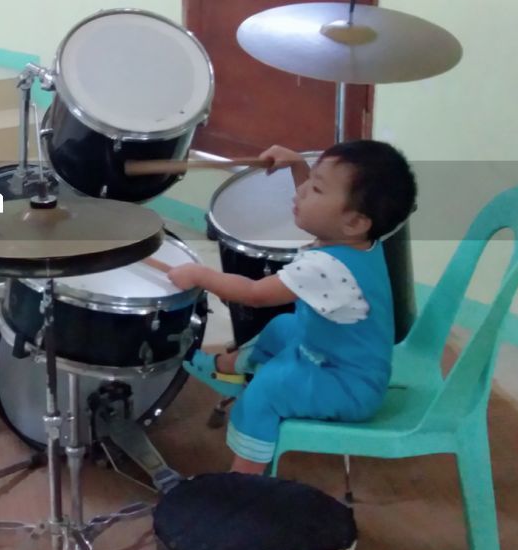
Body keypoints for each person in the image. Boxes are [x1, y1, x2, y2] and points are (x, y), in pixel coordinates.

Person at [167, 140, 417, 474]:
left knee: (268, 390)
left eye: (315, 188)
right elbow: (321, 212)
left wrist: (201, 275)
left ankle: (243, 480)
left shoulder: (326, 267)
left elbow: (255, 293)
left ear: (355, 222)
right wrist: (298, 164)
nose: (300, 193)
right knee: (282, 326)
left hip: (348, 386)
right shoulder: (355, 241)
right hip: (336, 358)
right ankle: (228, 365)